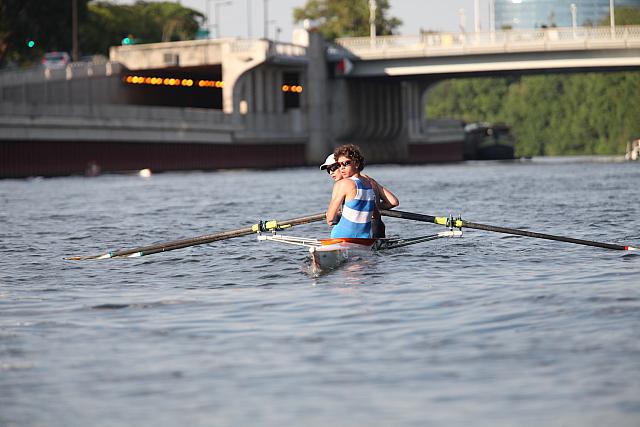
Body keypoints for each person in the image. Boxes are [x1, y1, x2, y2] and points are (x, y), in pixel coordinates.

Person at [325, 144, 399, 239]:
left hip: (341, 237)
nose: (341, 168)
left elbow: (330, 219)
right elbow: (376, 214)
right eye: (339, 165)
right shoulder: (369, 183)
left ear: (356, 163)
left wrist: (338, 214)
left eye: (346, 163)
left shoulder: (343, 184)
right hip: (365, 239)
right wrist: (363, 209)